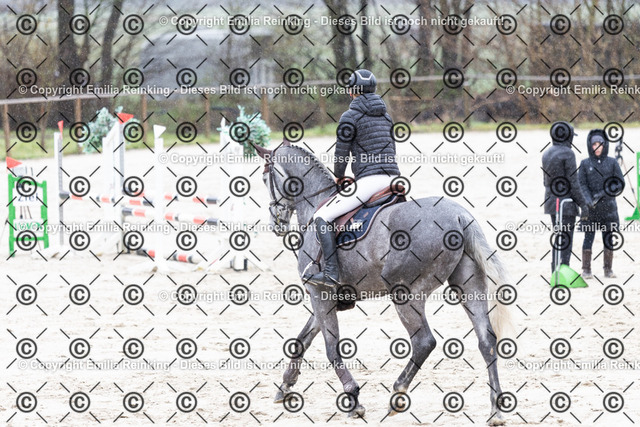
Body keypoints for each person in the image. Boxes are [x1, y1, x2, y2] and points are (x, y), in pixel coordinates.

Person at [305, 69, 401, 287]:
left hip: (370, 181)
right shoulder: (386, 116)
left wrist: (339, 177)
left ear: (352, 92)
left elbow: (341, 154)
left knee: (322, 216)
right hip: (393, 180)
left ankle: (330, 273)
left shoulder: (350, 117)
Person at [542, 121, 590, 274]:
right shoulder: (568, 153)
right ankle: (564, 270)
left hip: (551, 201)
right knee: (566, 239)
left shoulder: (546, 153)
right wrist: (583, 204)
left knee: (558, 237)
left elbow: (545, 181)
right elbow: (573, 183)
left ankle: (555, 270)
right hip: (566, 203)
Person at [578, 130, 624, 278]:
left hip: (608, 208)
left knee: (608, 238)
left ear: (604, 145)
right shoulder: (585, 163)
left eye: (599, 144)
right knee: (588, 238)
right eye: (594, 145)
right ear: (590, 146)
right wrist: (588, 199)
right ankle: (586, 270)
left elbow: (619, 183)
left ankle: (608, 269)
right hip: (591, 209)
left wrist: (606, 193)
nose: (597, 147)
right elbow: (581, 184)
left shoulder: (612, 162)